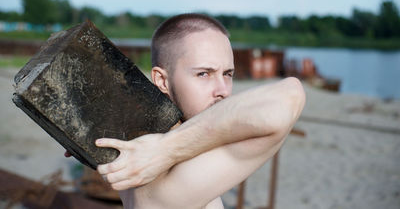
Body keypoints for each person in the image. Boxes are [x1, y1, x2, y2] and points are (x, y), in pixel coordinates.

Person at [74, 13, 305, 208]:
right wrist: (167, 150)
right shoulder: (163, 180)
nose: (222, 90)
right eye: (203, 74)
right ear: (162, 80)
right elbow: (290, 96)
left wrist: (167, 148)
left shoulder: (147, 146)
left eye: (228, 74)